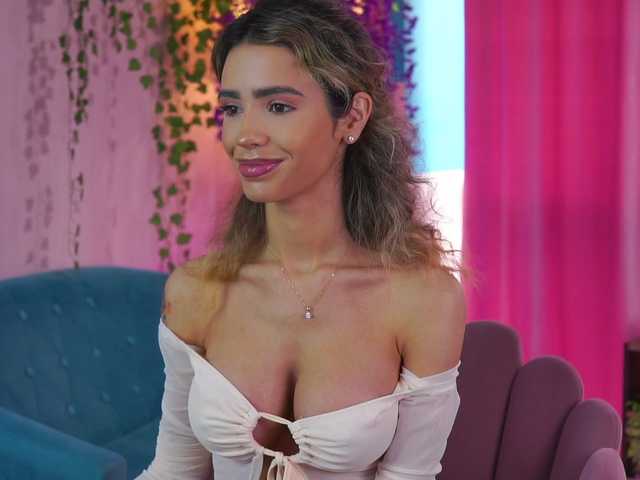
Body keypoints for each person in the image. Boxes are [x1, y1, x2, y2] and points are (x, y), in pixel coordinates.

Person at [137, 0, 467, 478]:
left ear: (351, 118)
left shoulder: (423, 301)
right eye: (232, 108)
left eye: (278, 106)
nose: (244, 135)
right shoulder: (196, 291)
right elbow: (175, 469)